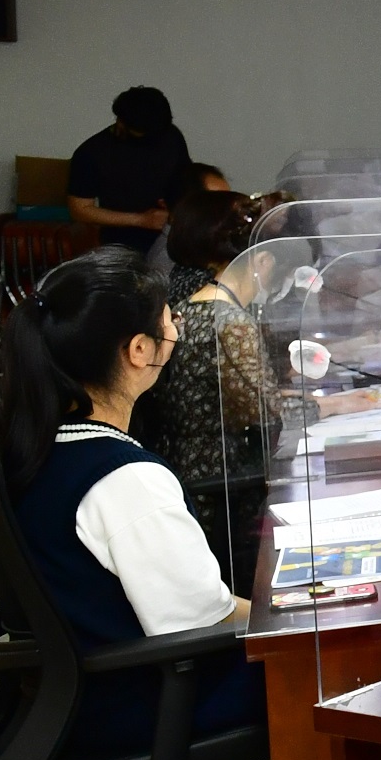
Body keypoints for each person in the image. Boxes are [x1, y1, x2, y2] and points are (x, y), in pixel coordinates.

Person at [3, 248, 260, 760]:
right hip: (142, 704)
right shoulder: (126, 479)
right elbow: (203, 620)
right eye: (170, 318)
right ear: (140, 350)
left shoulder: (45, 448)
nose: (177, 326)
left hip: (81, 700)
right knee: (332, 662)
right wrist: (298, 618)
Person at [141, 188, 274, 592]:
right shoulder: (230, 321)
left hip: (185, 468)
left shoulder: (188, 307)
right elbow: (263, 414)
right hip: (222, 486)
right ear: (259, 261)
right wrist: (332, 406)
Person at [67, 87, 194, 251]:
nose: (153, 139)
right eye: (144, 134)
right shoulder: (92, 152)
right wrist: (141, 220)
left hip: (174, 231)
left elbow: (188, 178)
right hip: (123, 240)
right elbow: (80, 209)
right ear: (121, 122)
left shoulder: (171, 135)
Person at [145, 163, 235, 280]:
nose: (230, 209)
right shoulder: (169, 260)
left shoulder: (201, 243)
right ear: (190, 207)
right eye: (219, 203)